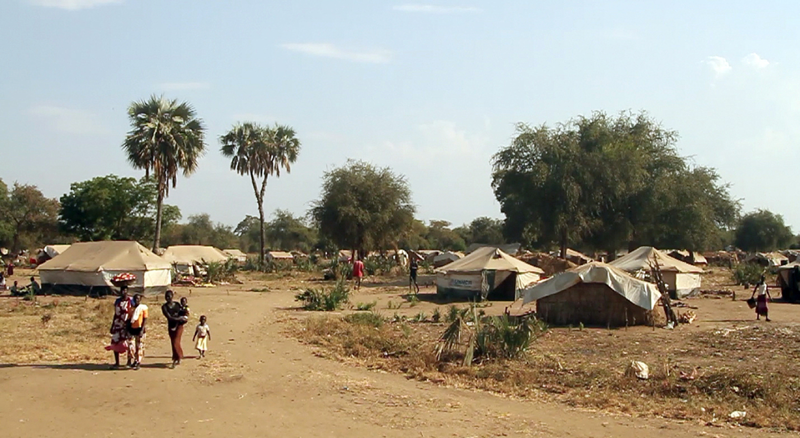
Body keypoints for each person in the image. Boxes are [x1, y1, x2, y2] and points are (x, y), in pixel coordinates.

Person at [105, 286, 133, 369]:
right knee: (115, 341)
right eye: (122, 290)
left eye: (125, 290)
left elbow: (133, 312)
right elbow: (115, 314)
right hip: (118, 324)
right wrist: (112, 325)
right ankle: (117, 362)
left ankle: (129, 362)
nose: (124, 292)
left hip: (127, 324)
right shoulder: (117, 301)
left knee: (129, 343)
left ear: (127, 291)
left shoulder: (131, 301)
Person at [161, 290, 185, 367]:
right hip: (171, 326)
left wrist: (184, 317)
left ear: (172, 296)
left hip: (179, 326)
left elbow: (183, 312)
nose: (168, 298)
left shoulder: (177, 304)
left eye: (169, 296)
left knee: (176, 341)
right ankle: (177, 357)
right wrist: (179, 318)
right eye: (166, 296)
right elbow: (169, 317)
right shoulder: (164, 307)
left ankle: (178, 356)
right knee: (173, 342)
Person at [127, 294, 148, 370]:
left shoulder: (143, 308)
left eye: (138, 299)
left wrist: (142, 330)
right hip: (132, 329)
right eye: (135, 299)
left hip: (140, 329)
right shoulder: (131, 309)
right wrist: (127, 330)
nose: (137, 300)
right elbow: (129, 320)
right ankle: (133, 360)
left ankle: (138, 362)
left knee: (139, 346)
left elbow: (145, 319)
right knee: (131, 346)